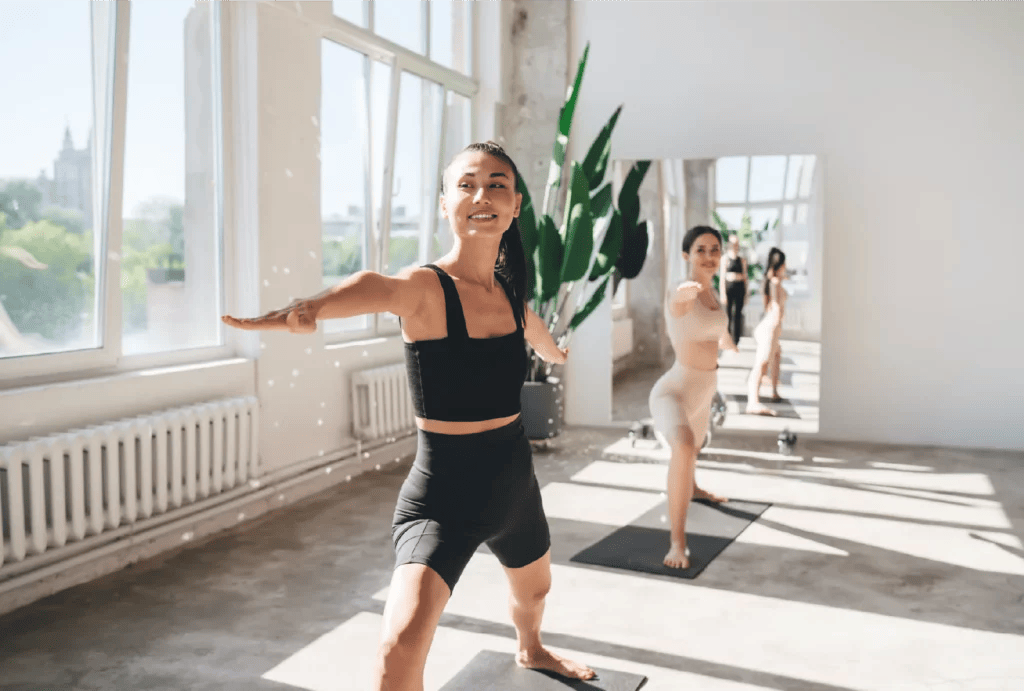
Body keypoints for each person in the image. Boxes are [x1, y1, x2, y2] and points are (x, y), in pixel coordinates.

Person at [222, 142, 595, 689]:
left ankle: (532, 648)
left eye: (497, 184)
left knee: (535, 592)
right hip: (443, 500)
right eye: (466, 184)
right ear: (445, 204)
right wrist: (313, 308)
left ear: (515, 206)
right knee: (398, 650)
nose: (482, 195)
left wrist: (556, 351)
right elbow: (376, 287)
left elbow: (534, 331)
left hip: (515, 485)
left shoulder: (509, 297)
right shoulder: (427, 288)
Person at [648, 225, 739, 570]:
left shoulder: (714, 294)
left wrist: (729, 344)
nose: (710, 256)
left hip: (704, 390)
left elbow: (717, 326)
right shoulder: (682, 290)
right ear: (686, 256)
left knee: (694, 447)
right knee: (684, 446)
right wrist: (685, 291)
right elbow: (678, 300)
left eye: (715, 249)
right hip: (675, 391)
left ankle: (695, 487)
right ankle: (677, 543)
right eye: (701, 250)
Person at [746, 248, 788, 416]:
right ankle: (752, 402)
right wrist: (777, 322)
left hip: (771, 326)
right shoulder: (775, 282)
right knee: (762, 363)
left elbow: (768, 303)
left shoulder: (774, 280)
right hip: (769, 327)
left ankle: (774, 392)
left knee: (777, 355)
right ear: (781, 264)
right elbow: (776, 305)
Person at [719, 233, 748, 349]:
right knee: (728, 315)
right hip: (729, 287)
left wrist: (746, 293)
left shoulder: (742, 260)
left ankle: (736, 340)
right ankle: (727, 339)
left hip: (739, 287)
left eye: (736, 243)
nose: (735, 245)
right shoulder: (725, 258)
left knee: (738, 314)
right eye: (733, 243)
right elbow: (722, 277)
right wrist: (722, 293)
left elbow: (746, 277)